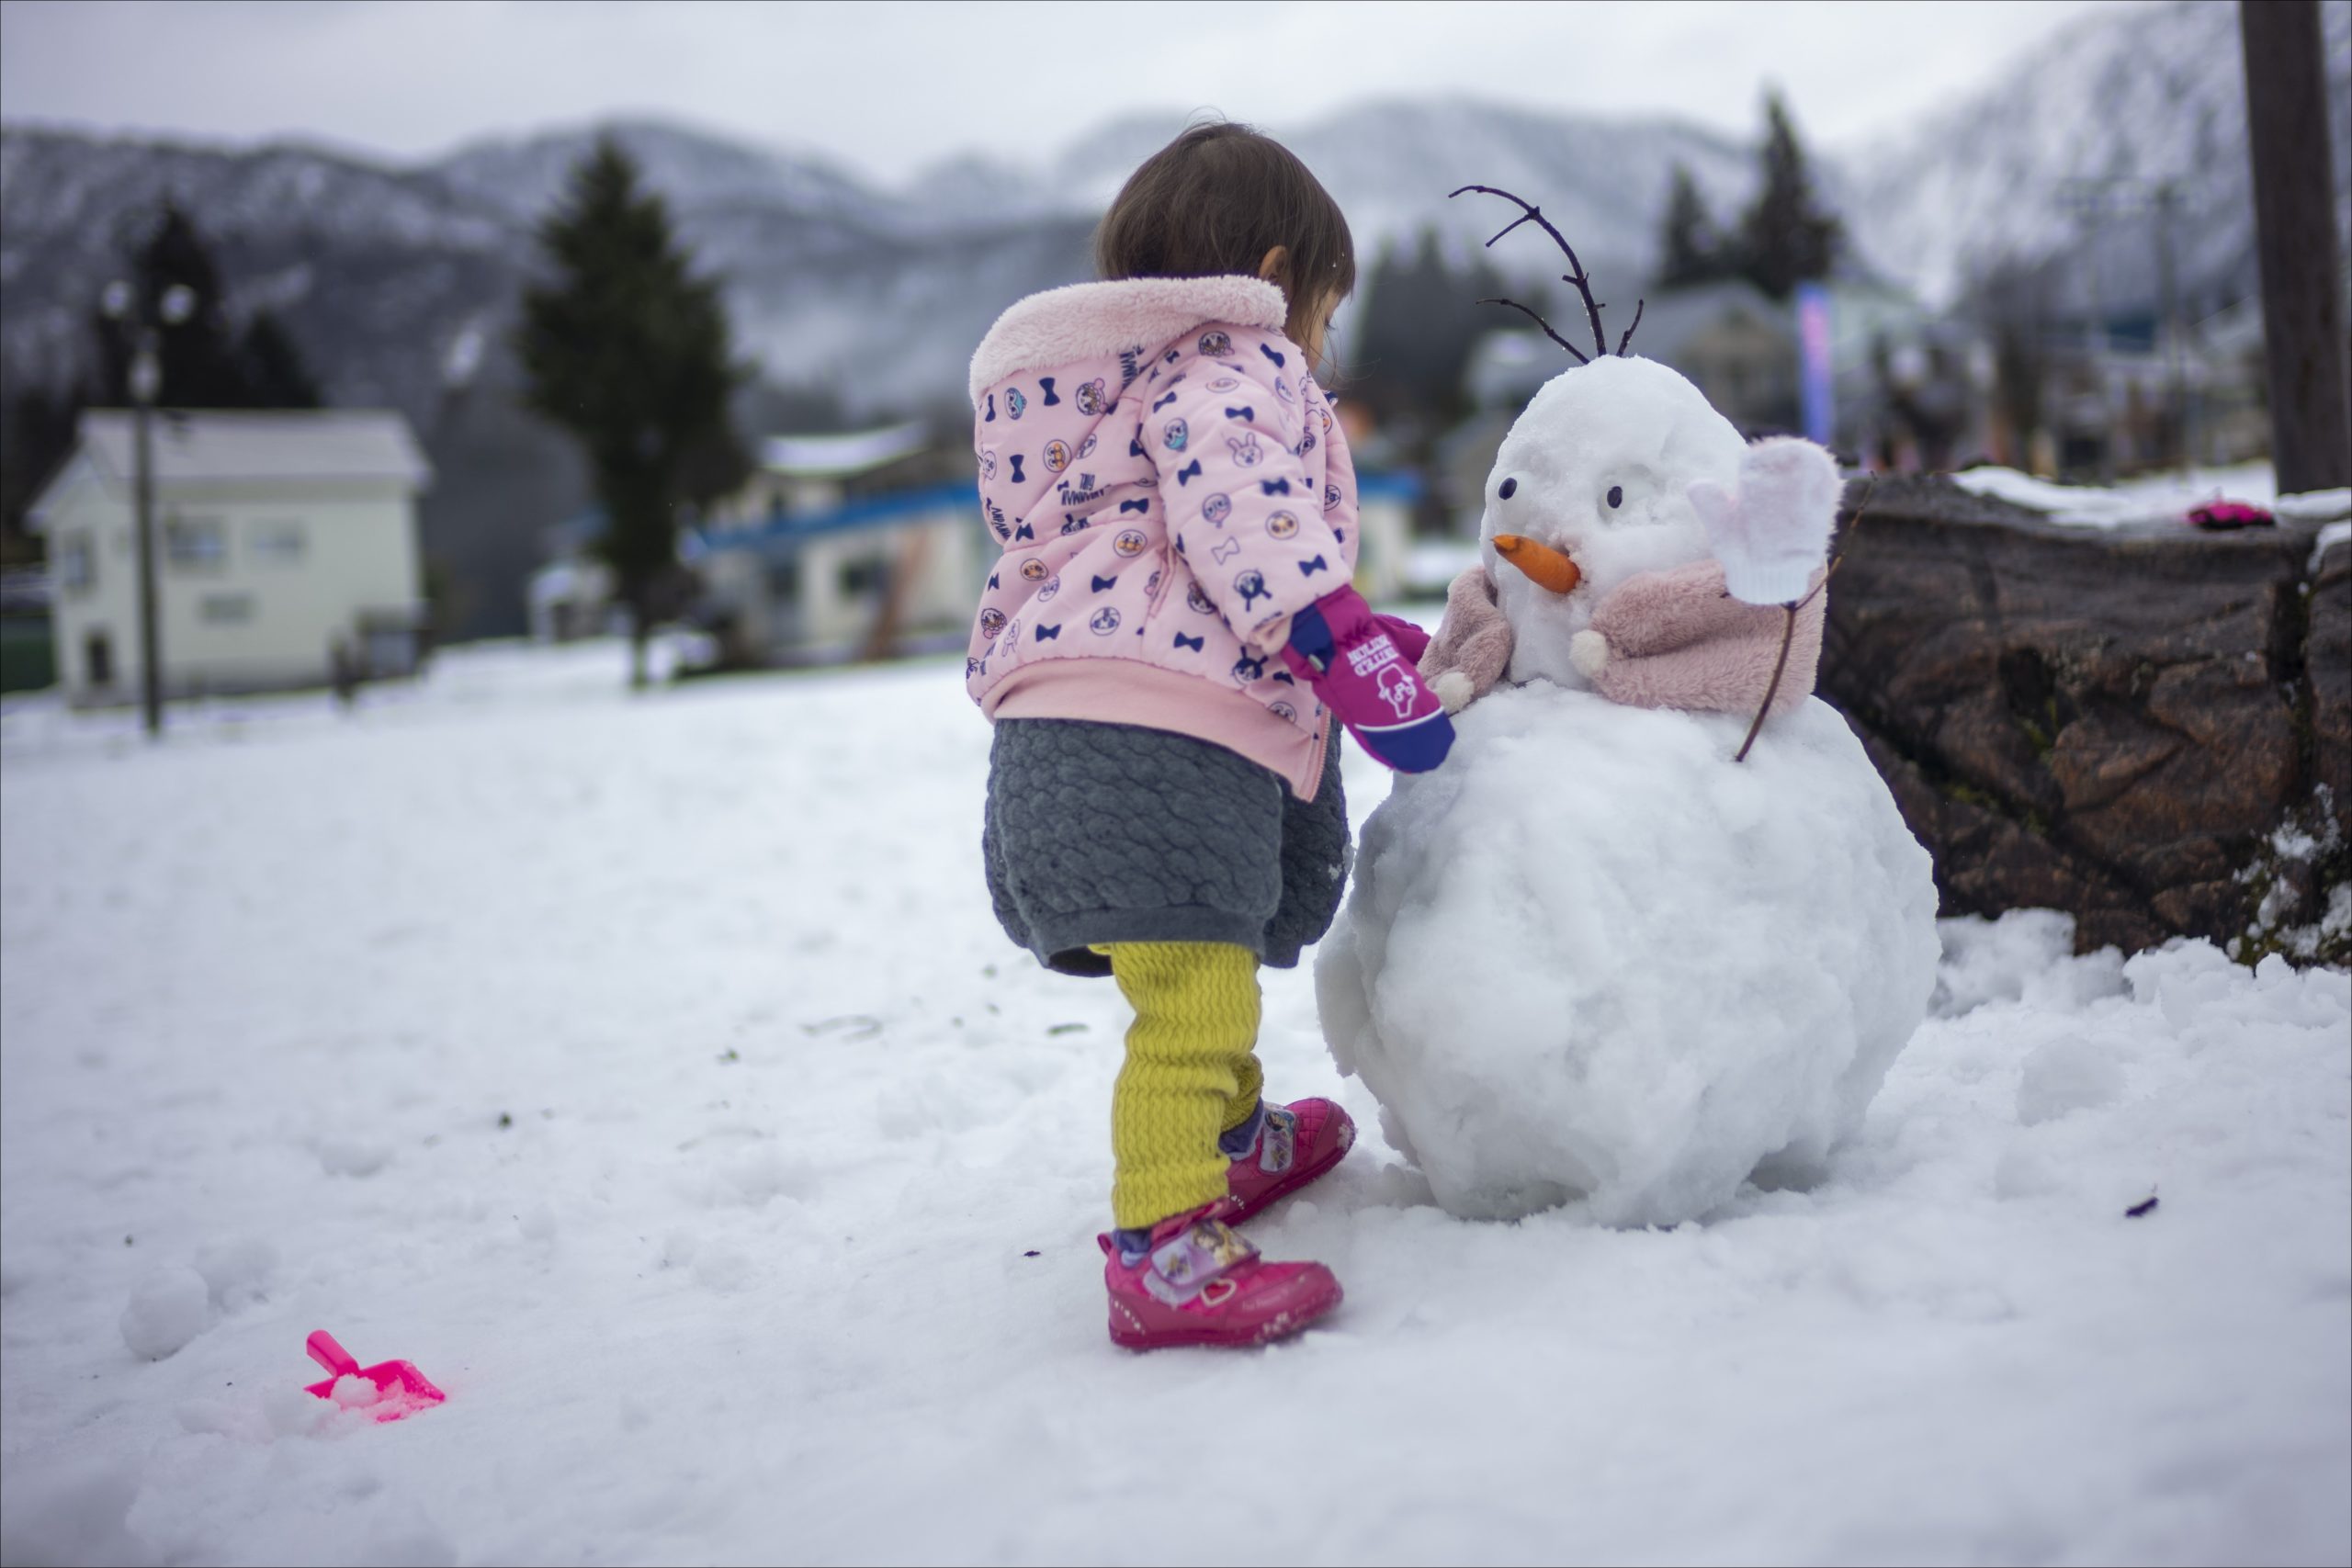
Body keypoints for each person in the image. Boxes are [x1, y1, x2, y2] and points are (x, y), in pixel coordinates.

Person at [964, 122, 1454, 1350]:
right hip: (1156, 745)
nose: (1320, 351)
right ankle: (1164, 1249)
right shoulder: (1225, 369)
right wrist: (1328, 629)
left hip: (1061, 740)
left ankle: (1231, 1144)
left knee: (1196, 978)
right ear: (1280, 276)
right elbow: (1241, 503)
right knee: (1188, 1009)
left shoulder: (1092, 402)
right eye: (1325, 319)